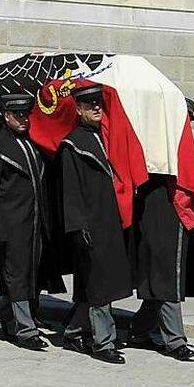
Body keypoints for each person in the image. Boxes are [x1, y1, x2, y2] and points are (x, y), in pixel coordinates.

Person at [125, 97, 194, 361]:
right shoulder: (157, 144)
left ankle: (139, 330)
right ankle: (175, 340)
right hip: (160, 209)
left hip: (177, 213)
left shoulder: (180, 143)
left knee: (165, 277)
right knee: (166, 276)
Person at [58, 83, 132, 364]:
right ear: (78, 109)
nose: (97, 109)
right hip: (89, 225)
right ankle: (104, 343)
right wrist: (78, 227)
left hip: (109, 221)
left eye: (99, 104)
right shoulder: (72, 144)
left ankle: (74, 331)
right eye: (90, 106)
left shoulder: (104, 137)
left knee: (101, 283)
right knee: (100, 285)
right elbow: (71, 191)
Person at [0, 92, 51, 351]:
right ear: (6, 116)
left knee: (28, 275)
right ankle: (26, 330)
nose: (23, 120)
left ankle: (5, 321)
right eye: (17, 115)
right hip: (10, 227)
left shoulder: (31, 145)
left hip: (33, 225)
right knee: (16, 275)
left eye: (25, 115)